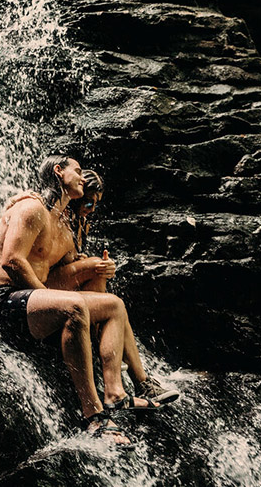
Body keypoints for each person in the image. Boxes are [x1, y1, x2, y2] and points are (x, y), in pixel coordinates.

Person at [0, 155, 160, 450]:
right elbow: (12, 261)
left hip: (30, 303)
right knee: (74, 306)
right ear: (58, 171)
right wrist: (46, 296)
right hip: (1, 302)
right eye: (77, 170)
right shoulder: (31, 207)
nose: (82, 176)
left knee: (114, 305)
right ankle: (94, 417)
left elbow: (69, 271)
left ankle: (115, 392)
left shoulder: (62, 223)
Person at [45, 169, 180, 405]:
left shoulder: (80, 223)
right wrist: (88, 263)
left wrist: (85, 261)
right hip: (43, 290)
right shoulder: (57, 214)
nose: (91, 208)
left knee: (107, 288)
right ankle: (133, 375)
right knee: (98, 269)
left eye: (95, 204)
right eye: (88, 201)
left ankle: (142, 381)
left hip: (62, 287)